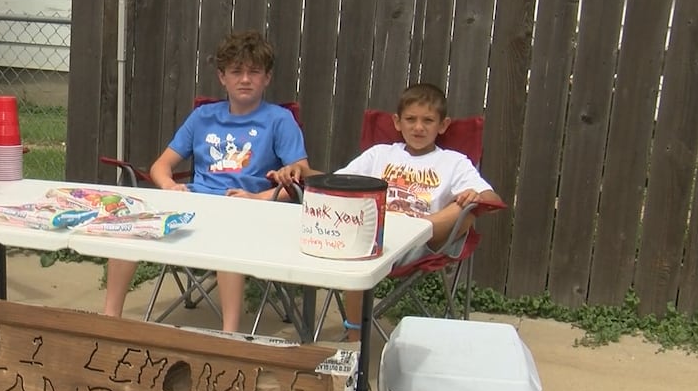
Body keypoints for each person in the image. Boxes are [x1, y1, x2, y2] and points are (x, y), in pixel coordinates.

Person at [103, 30, 312, 332]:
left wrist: (260, 198)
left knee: (228, 238)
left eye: (254, 72)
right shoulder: (203, 117)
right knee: (130, 227)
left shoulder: (279, 120)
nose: (244, 79)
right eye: (236, 71)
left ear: (266, 78)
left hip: (248, 210)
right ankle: (110, 320)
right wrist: (170, 187)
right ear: (222, 77)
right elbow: (162, 165)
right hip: (196, 205)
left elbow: (300, 173)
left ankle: (227, 336)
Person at [270, 82, 503, 341]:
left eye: (428, 120)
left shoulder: (453, 161)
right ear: (397, 122)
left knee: (466, 210)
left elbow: (492, 199)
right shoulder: (380, 154)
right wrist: (302, 172)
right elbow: (337, 182)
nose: (418, 127)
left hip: (423, 242)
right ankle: (355, 339)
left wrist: (475, 196)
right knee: (354, 246)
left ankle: (417, 229)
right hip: (373, 237)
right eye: (411, 119)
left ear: (443, 125)